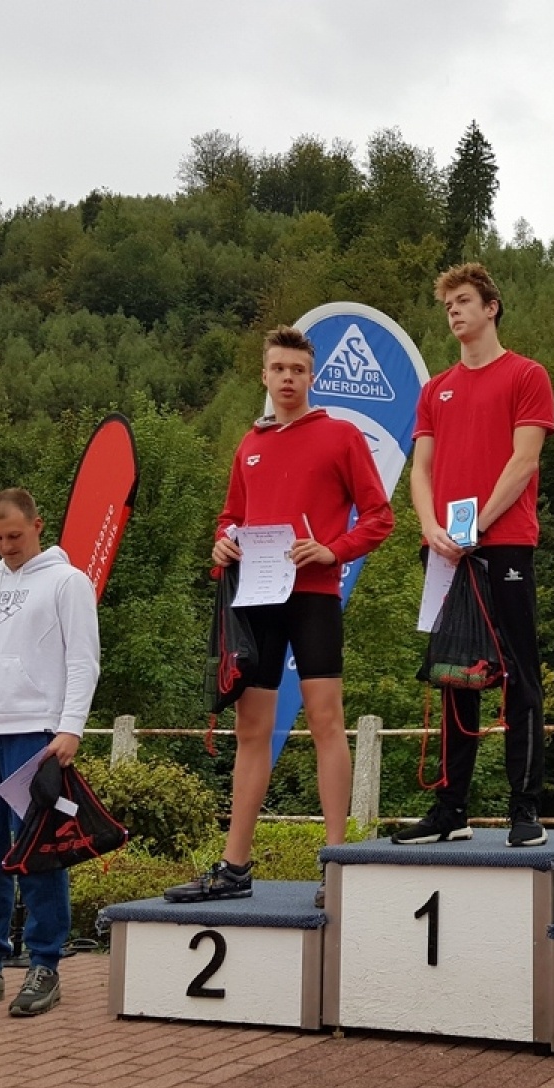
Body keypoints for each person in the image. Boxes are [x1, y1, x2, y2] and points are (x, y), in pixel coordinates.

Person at [166, 325, 393, 904]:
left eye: (297, 369)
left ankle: (336, 862)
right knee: (251, 730)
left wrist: (332, 550)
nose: (288, 378)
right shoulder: (251, 443)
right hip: (257, 597)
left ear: (311, 375)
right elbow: (229, 519)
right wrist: (222, 545)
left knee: (325, 721)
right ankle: (234, 866)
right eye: (278, 369)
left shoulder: (341, 436)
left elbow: (378, 518)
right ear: (264, 376)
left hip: (314, 595)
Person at [394, 263, 554, 848]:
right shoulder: (436, 388)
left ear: (492, 306)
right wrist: (432, 525)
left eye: (464, 301)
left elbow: (525, 461)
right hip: (443, 549)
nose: (454, 312)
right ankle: (450, 807)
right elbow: (423, 470)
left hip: (504, 541)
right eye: (447, 306)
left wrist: (477, 526)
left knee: (516, 672)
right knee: (453, 675)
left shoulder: (526, 374)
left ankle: (524, 807)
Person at [0, 488, 100, 1016]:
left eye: (14, 535)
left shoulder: (67, 581)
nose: (7, 546)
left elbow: (84, 660)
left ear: (38, 524)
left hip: (36, 731)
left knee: (38, 852)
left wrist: (71, 728)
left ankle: (45, 964)